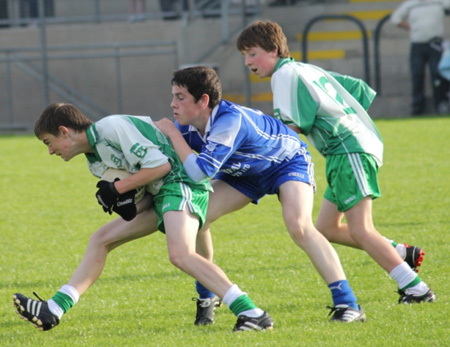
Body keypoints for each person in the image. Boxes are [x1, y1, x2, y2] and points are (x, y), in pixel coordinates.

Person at [13, 103, 272, 332]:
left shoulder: (110, 128)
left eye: (49, 142)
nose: (50, 152)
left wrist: (118, 189)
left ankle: (252, 313)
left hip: (180, 183)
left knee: (180, 254)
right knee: (100, 239)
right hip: (162, 194)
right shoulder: (94, 163)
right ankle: (54, 309)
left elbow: (163, 166)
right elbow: (143, 192)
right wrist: (128, 205)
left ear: (64, 131)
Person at [236, 20, 435, 304]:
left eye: (252, 53)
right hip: (350, 149)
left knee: (361, 229)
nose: (247, 61)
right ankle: (400, 253)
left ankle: (416, 288)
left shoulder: (284, 76)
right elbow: (359, 90)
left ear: (274, 50)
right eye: (244, 55)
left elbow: (290, 130)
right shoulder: (305, 68)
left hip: (347, 151)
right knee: (327, 227)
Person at [155, 66, 367, 323]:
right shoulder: (187, 126)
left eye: (180, 97)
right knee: (199, 216)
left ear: (204, 101)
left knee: (299, 227)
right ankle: (207, 295)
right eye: (173, 96)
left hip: (286, 162)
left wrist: (174, 135)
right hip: (244, 172)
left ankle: (348, 304)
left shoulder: (227, 121)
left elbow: (200, 172)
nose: (172, 104)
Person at [390, 0, 450, 115]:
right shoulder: (411, 3)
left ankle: (441, 105)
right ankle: (417, 108)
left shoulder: (438, 1)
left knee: (437, 75)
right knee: (417, 76)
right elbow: (395, 19)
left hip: (435, 44)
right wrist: (410, 27)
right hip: (417, 44)